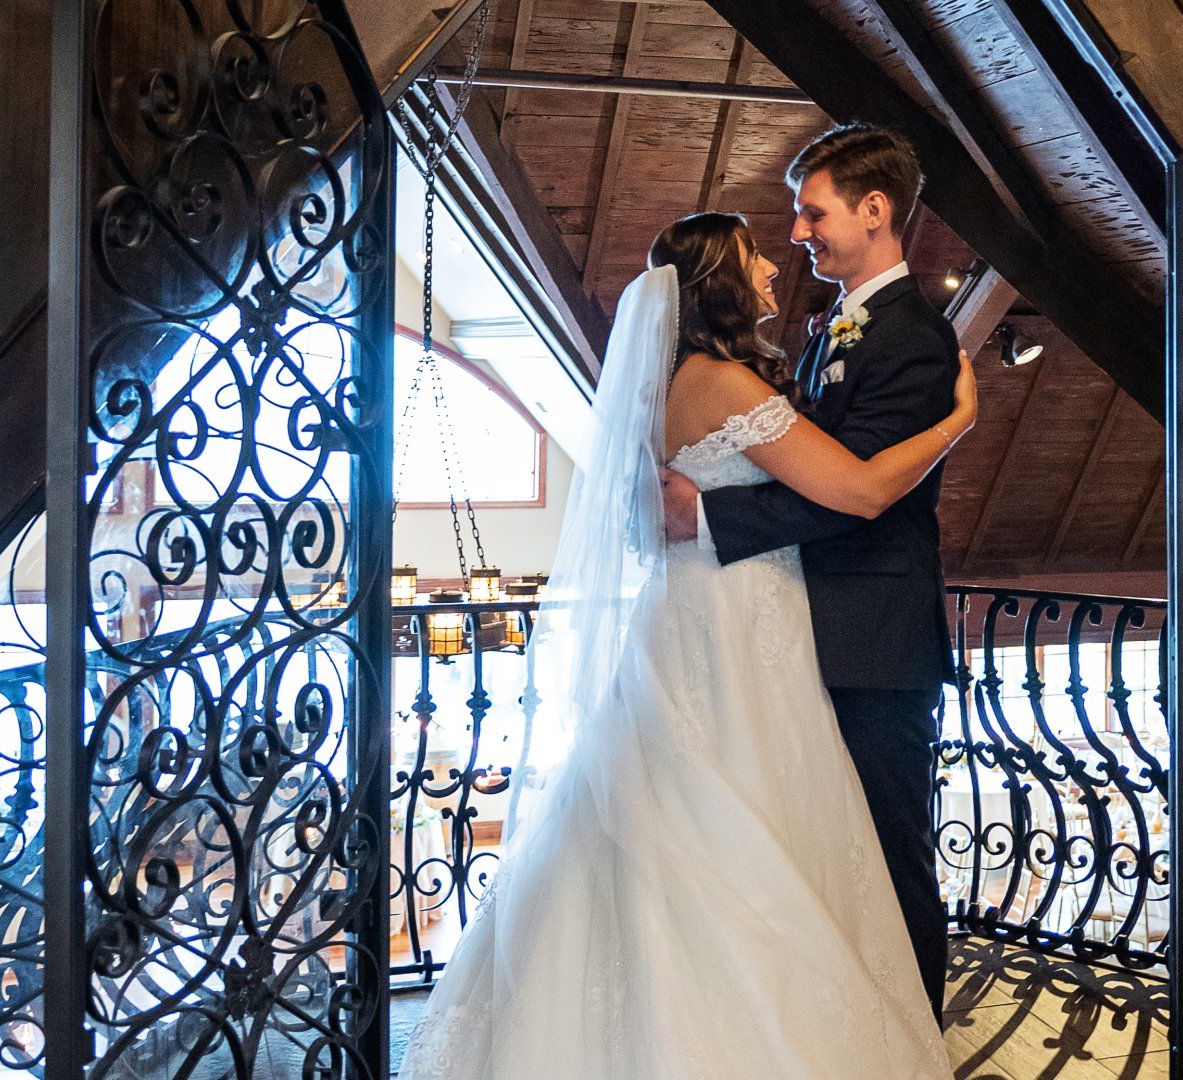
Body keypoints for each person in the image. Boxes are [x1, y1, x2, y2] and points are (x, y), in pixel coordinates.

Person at [397, 206, 973, 1078]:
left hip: (697, 614)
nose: (776, 271)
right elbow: (853, 490)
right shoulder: (721, 384)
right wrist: (956, 423)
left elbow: (660, 511)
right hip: (736, 618)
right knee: (742, 816)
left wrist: (700, 509)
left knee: (682, 810)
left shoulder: (672, 380)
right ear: (721, 284)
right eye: (756, 262)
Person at [663, 123, 960, 1020]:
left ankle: (912, 1046)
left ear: (874, 211)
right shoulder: (834, 323)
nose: (797, 233)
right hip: (796, 639)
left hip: (871, 644)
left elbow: (852, 491)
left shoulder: (915, 335)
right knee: (828, 862)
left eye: (812, 211)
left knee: (890, 863)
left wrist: (707, 513)